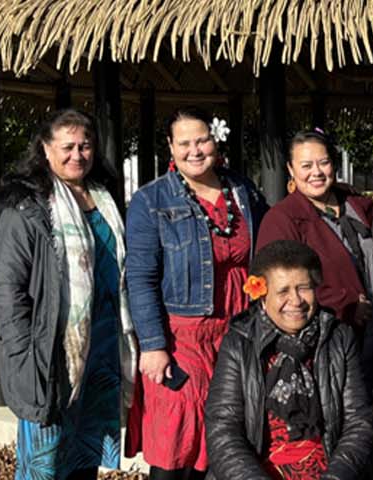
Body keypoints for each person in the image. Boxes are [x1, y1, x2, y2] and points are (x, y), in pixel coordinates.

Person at [125, 108, 269, 479]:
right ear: (170, 147)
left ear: (215, 141)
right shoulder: (151, 201)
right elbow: (140, 278)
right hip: (181, 337)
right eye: (184, 142)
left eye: (202, 140)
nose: (195, 150)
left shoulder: (242, 190)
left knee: (224, 440)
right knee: (177, 442)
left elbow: (271, 246)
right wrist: (153, 345)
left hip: (237, 331)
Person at [0, 109, 134, 480]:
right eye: (67, 146)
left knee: (84, 463)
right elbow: (7, 289)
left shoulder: (105, 198)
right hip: (50, 354)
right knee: (45, 464)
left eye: (85, 146)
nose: (77, 155)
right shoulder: (28, 206)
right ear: (45, 149)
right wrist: (23, 354)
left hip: (101, 354)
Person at [205, 240, 373, 479]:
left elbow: (359, 421)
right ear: (263, 297)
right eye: (283, 291)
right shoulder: (239, 344)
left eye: (303, 288)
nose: (296, 301)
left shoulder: (338, 338)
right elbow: (223, 428)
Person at [257, 130, 373, 332]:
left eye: (323, 163)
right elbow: (277, 282)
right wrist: (343, 303)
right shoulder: (282, 220)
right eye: (306, 166)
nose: (316, 172)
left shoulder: (358, 205)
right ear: (291, 169)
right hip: (331, 333)